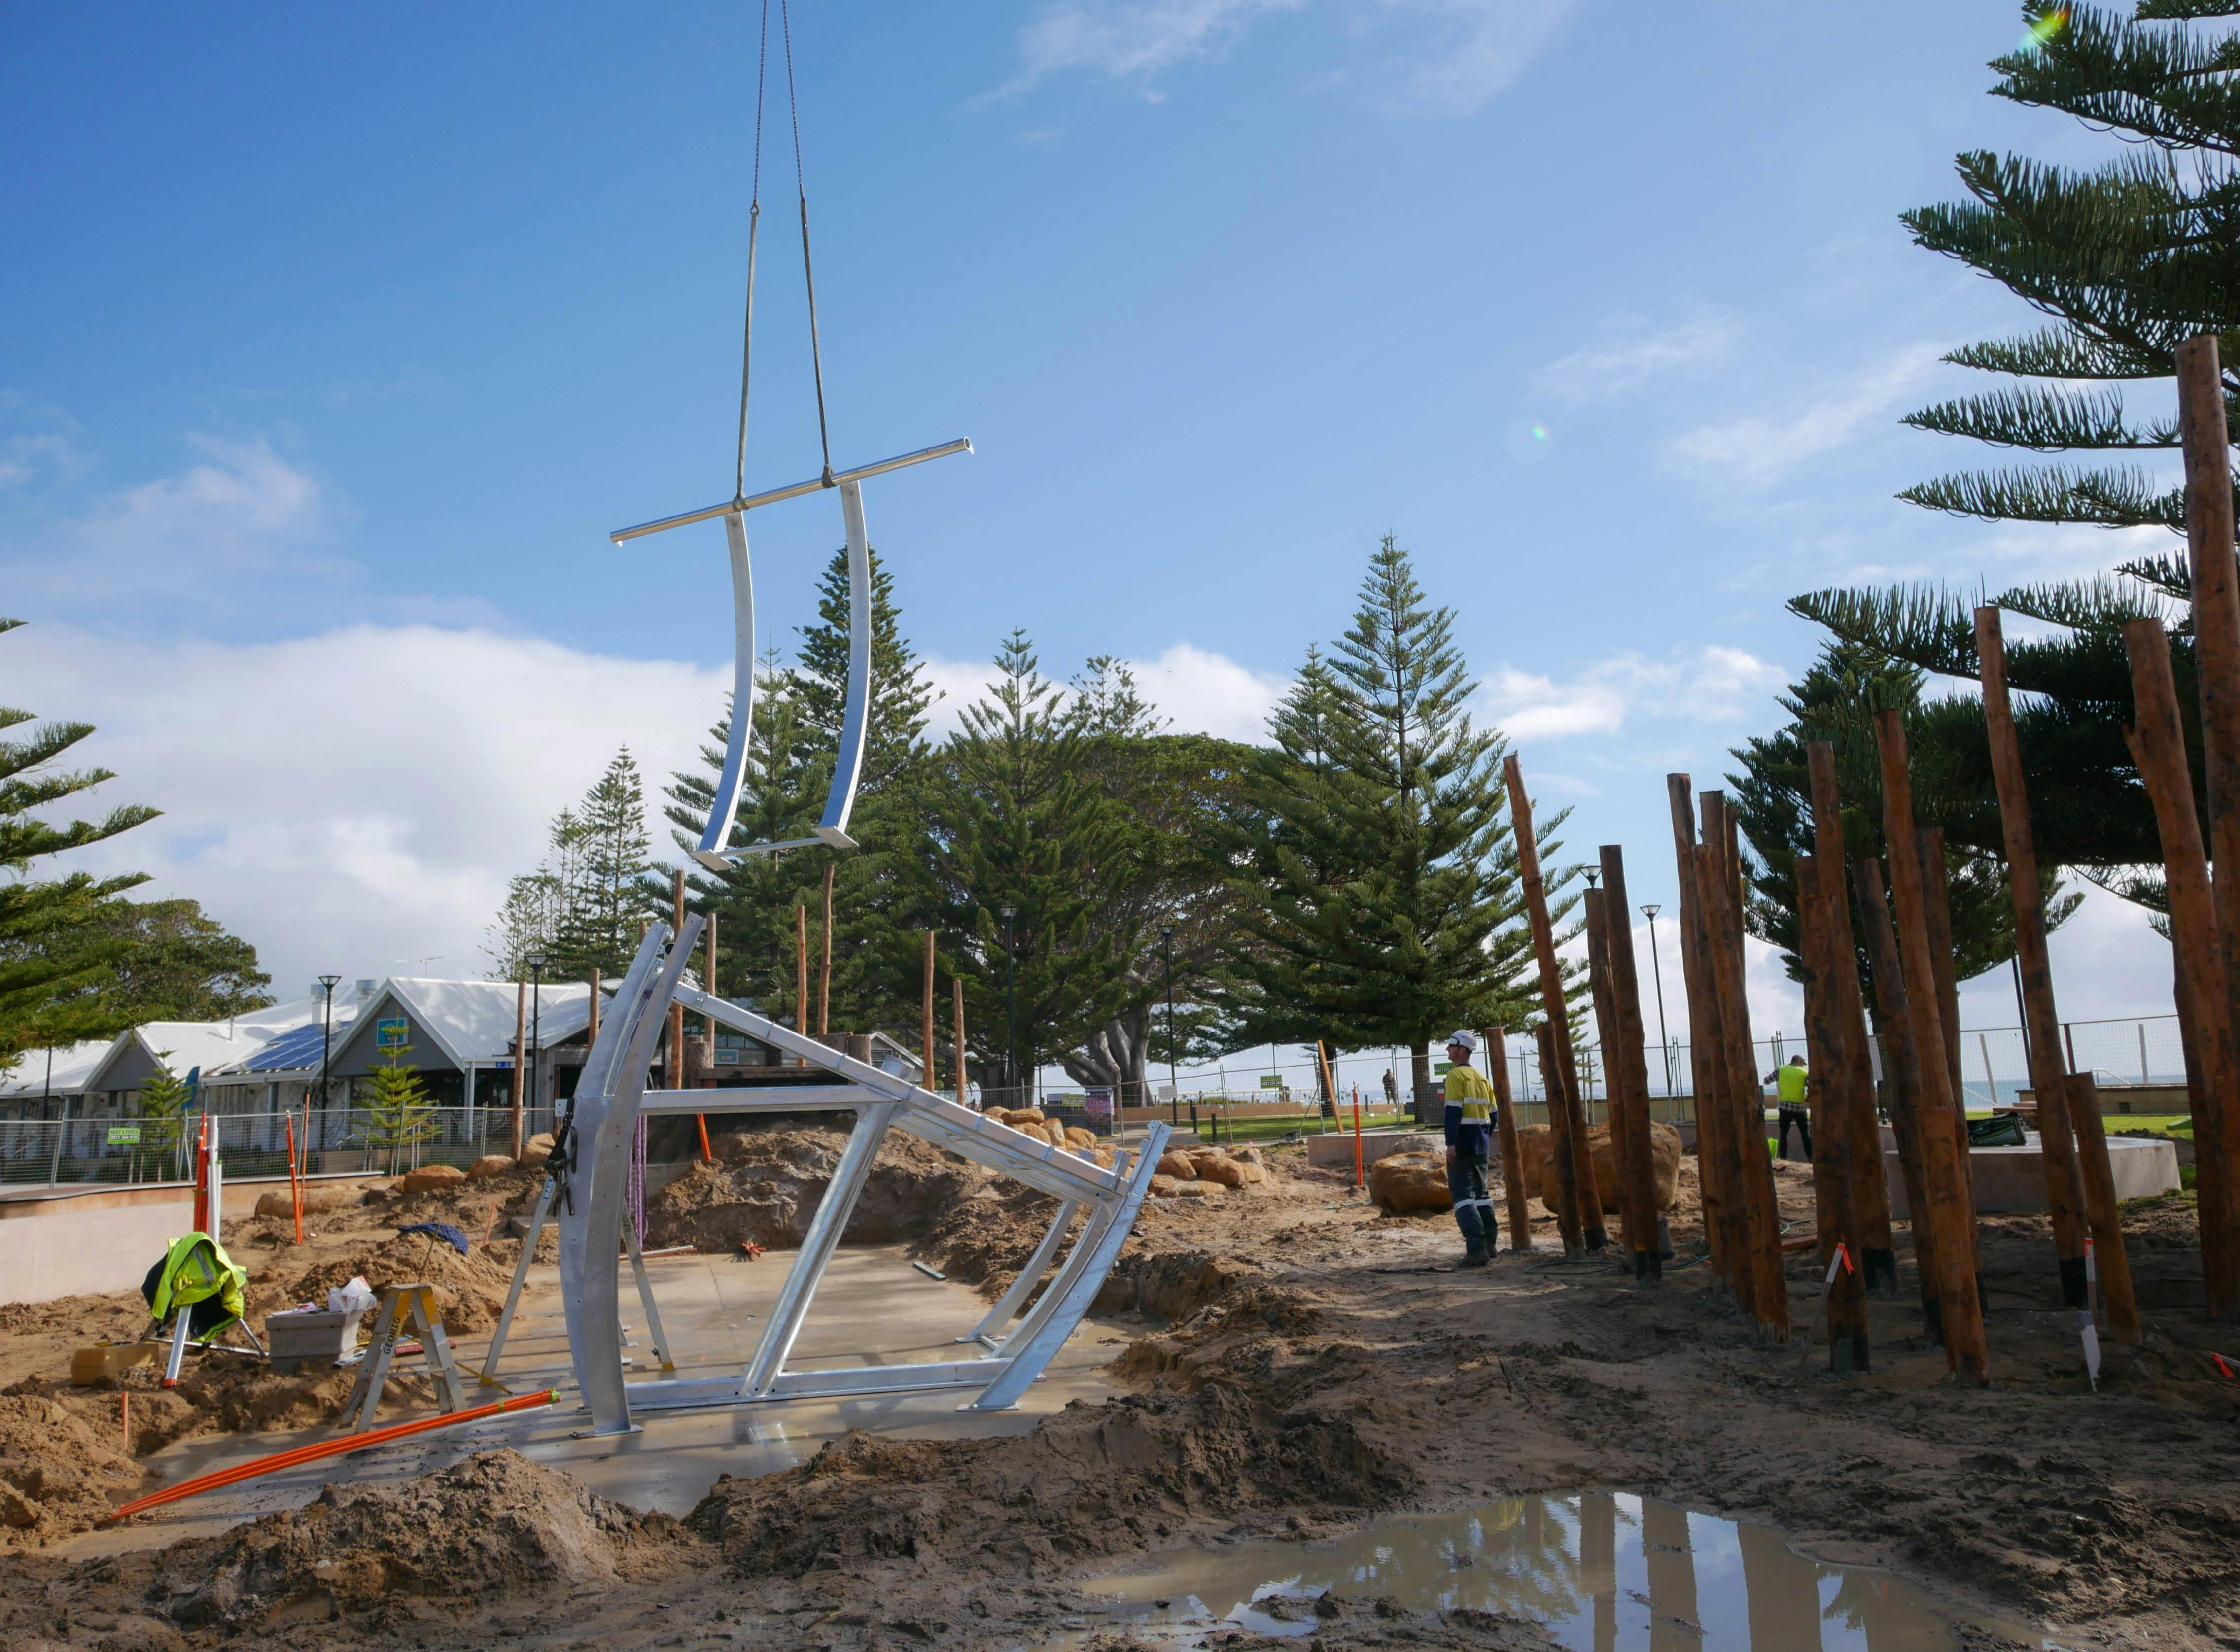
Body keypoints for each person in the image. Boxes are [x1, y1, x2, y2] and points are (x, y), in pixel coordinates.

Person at [1441, 1031, 1498, 1266]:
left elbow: (1453, 1112)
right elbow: (1494, 1115)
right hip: (1481, 1144)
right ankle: (1490, 1244)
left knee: (1463, 1197)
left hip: (1463, 1144)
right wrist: (1484, 1136)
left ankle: (1476, 1249)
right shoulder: (1482, 1078)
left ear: (1462, 1050)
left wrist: (1451, 1144)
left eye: (1451, 1046)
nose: (1448, 1050)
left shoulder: (1456, 1076)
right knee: (1482, 1194)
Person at [1767, 1052, 1811, 1161]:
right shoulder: (1804, 1073)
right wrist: (1808, 1096)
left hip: (1785, 1107)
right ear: (1799, 1062)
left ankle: (1783, 1158)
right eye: (1802, 1064)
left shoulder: (1781, 1070)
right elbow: (1811, 1085)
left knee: (1784, 1134)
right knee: (1805, 1134)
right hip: (1800, 1108)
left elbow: (1767, 1081)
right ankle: (1811, 1158)